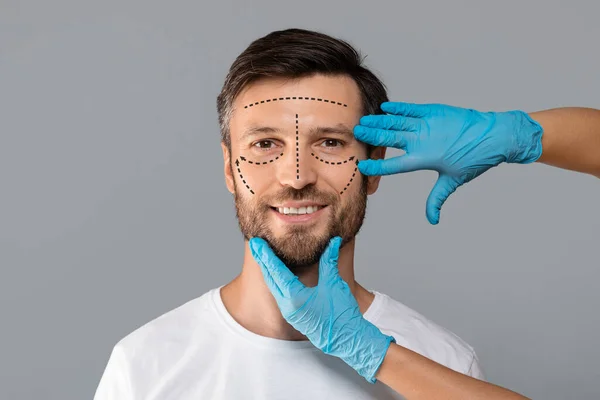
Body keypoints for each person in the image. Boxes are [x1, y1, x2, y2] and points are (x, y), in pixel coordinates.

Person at [93, 28, 599, 400]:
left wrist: (373, 353)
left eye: (331, 143)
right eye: (265, 144)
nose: (295, 175)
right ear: (229, 168)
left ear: (376, 167)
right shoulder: (144, 367)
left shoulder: (443, 364)